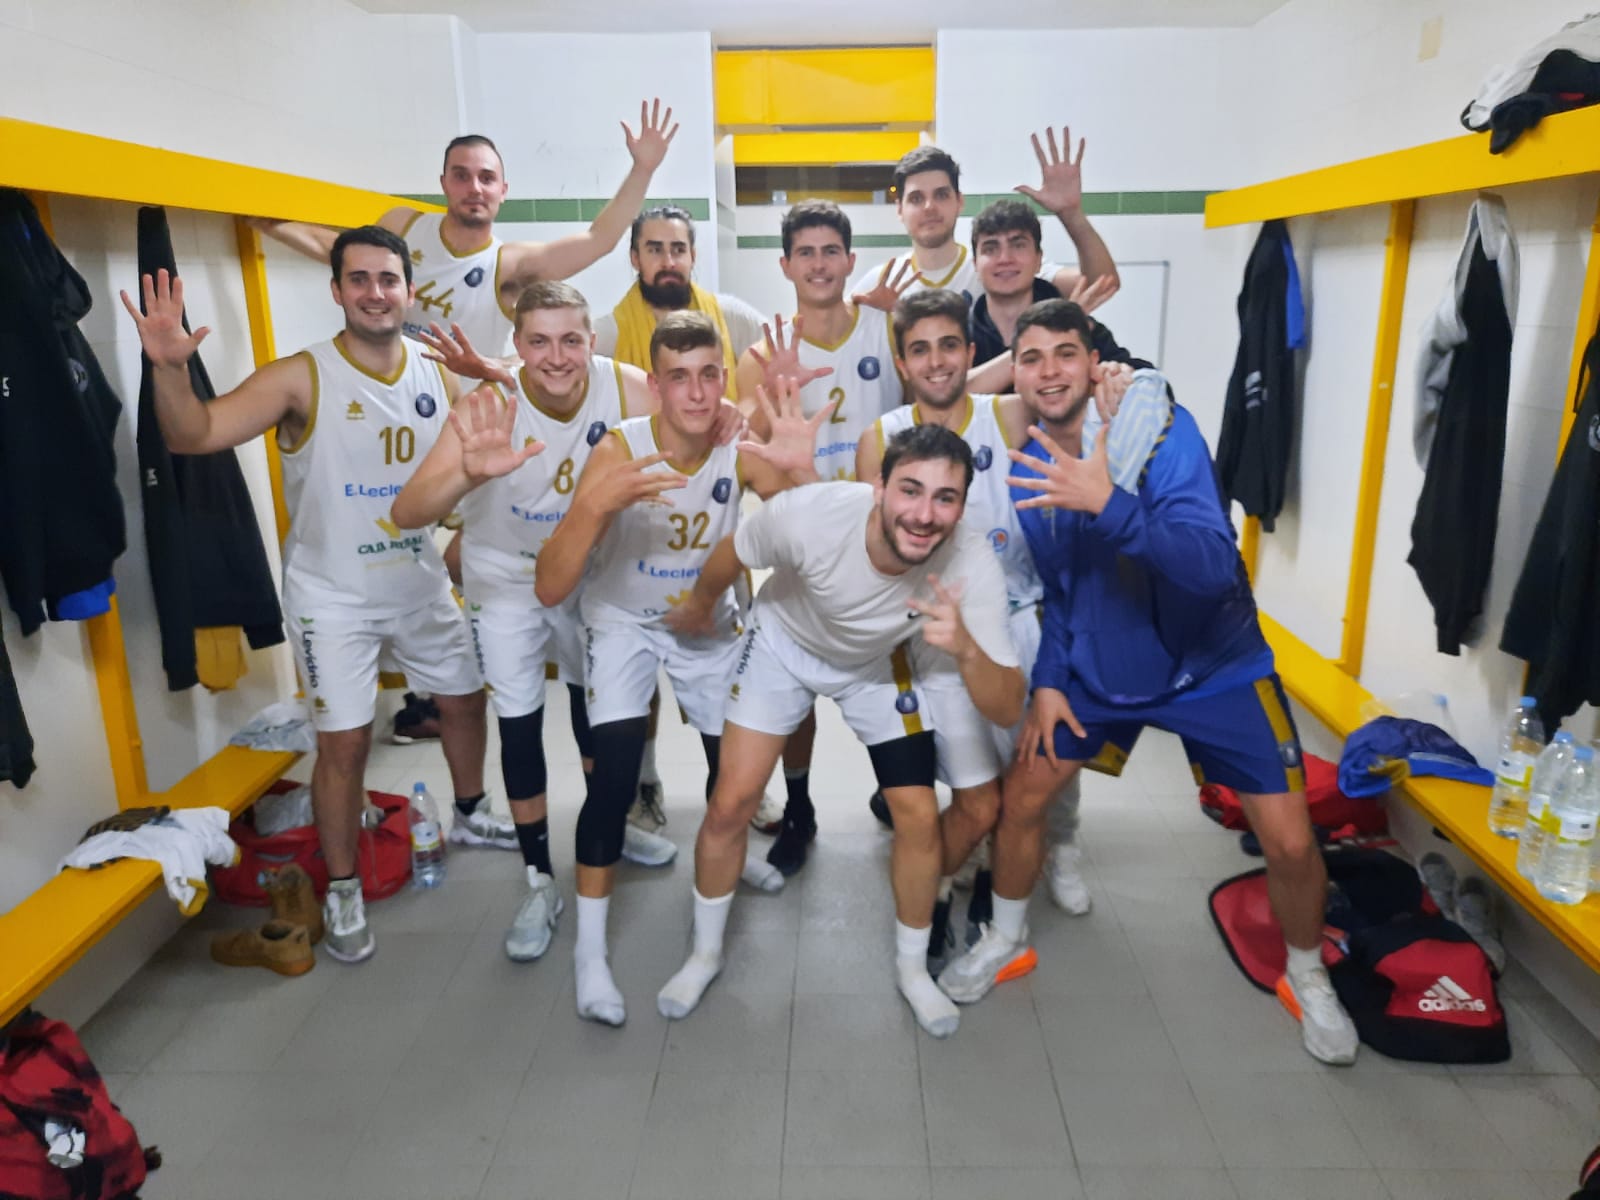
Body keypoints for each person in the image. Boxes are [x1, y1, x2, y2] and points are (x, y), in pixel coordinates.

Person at [936, 299, 1361, 1067]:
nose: (1048, 371)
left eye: (1065, 353)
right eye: (1030, 359)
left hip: (1214, 666)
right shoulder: (1032, 459)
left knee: (1292, 842)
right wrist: (1054, 680)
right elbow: (1063, 588)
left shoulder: (1162, 431)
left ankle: (1307, 975)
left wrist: (1110, 502)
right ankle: (1005, 938)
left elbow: (1210, 565)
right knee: (1024, 796)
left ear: (1093, 360)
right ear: (1017, 376)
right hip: (1101, 671)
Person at [121, 228, 504, 964]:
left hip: (419, 581)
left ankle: (469, 812)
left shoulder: (437, 368)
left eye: (387, 279)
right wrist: (170, 369)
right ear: (336, 291)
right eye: (358, 279)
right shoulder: (301, 376)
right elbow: (195, 434)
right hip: (336, 598)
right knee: (346, 743)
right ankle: (343, 887)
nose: (374, 292)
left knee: (463, 699)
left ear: (407, 288)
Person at [656, 424, 1025, 1039]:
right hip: (783, 645)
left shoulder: (969, 560)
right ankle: (704, 955)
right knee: (730, 803)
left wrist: (965, 650)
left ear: (963, 505)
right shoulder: (813, 514)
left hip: (877, 667)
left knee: (915, 814)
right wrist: (699, 605)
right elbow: (734, 551)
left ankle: (912, 972)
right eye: (910, 490)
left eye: (945, 498)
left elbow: (1009, 705)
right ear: (878, 486)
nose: (925, 514)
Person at [531, 312, 828, 1025]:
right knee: (610, 780)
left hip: (707, 619)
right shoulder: (619, 452)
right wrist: (593, 506)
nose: (695, 393)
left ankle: (725, 866)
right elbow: (548, 586)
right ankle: (591, 954)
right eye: (677, 377)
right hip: (624, 621)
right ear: (655, 386)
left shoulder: (740, 448)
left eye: (707, 375)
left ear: (725, 381)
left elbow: (821, 534)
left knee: (734, 773)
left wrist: (799, 467)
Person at [391, 281, 690, 963]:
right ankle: (537, 877)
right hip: (507, 582)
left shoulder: (625, 387)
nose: (556, 356)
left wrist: (731, 420)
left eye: (571, 339)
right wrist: (466, 476)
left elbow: (707, 415)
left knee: (600, 710)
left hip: (592, 573)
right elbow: (409, 512)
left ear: (592, 340)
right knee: (520, 718)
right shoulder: (490, 404)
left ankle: (606, 821)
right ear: (517, 345)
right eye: (538, 341)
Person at [856, 290, 1141, 962]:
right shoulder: (884, 434)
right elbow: (869, 531)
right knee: (969, 771)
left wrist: (1114, 379)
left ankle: (1053, 850)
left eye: (949, 345)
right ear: (902, 361)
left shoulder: (1005, 412)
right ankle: (956, 871)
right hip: (929, 625)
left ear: (972, 352)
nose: (936, 361)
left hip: (1017, 612)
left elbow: (1064, 396)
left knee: (1042, 756)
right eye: (920, 348)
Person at [731, 200, 907, 877]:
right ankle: (799, 807)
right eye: (804, 252)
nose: (819, 263)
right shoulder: (761, 354)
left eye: (830, 250)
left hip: (887, 544)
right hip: (804, 545)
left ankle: (899, 792)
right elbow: (745, 449)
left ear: (850, 259)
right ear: (785, 265)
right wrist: (763, 395)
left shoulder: (889, 329)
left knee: (896, 682)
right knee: (795, 689)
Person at [252, 100, 679, 355]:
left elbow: (597, 240)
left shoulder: (509, 265)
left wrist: (642, 169)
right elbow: (344, 254)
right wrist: (275, 225)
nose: (474, 187)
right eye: (461, 175)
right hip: (394, 394)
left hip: (466, 417)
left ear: (503, 191)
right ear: (443, 184)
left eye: (486, 178)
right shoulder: (405, 224)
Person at [847, 131, 1118, 332]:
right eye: (916, 199)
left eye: (941, 195)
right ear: (899, 210)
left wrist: (1071, 214)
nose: (929, 207)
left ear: (959, 201)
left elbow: (1102, 283)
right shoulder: (880, 283)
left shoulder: (994, 266)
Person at [968, 197, 1142, 387]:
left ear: (1038, 260)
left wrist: (1118, 375)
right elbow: (945, 398)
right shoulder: (957, 334)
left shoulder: (1081, 328)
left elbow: (1147, 382)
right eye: (991, 248)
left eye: (1018, 245)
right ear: (975, 264)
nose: (1005, 258)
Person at [595, 204, 767, 389]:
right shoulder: (608, 335)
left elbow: (778, 355)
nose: (668, 263)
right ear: (635, 258)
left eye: (678, 250)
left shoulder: (732, 317)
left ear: (692, 256)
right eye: (655, 250)